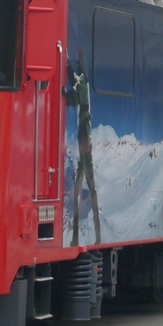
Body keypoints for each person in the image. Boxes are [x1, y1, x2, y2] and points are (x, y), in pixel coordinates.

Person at [65, 48, 101, 246]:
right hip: (82, 143)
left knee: (88, 188)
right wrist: (67, 63)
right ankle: (77, 238)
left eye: (79, 65)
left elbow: (72, 97)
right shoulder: (83, 83)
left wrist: (63, 94)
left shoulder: (84, 86)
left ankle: (95, 237)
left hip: (84, 143)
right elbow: (73, 80)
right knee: (79, 190)